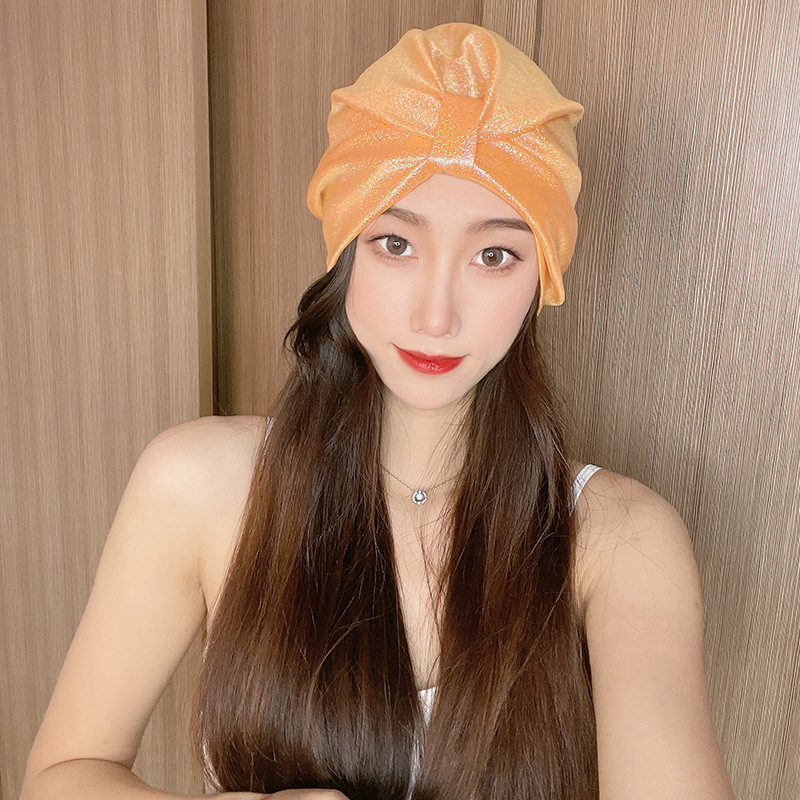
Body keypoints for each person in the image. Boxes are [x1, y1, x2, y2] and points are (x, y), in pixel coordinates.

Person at [22, 22, 736, 800]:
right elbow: (61, 777)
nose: (436, 315)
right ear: (345, 250)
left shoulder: (620, 541)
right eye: (396, 243)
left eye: (494, 255)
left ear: (543, 276)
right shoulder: (199, 485)